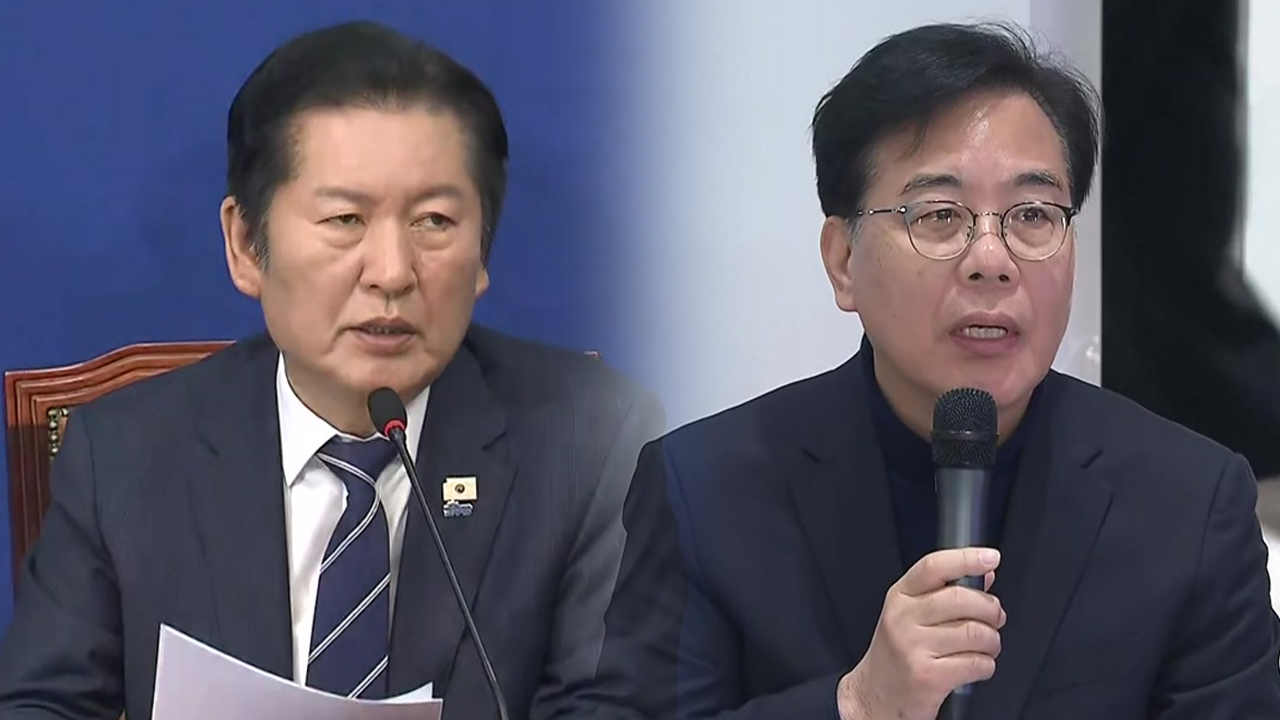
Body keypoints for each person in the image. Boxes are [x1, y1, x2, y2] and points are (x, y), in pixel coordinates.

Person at [594, 22, 1280, 720]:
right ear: (842, 260)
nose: (992, 259)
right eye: (940, 215)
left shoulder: (1191, 505)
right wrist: (860, 705)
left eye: (1033, 214)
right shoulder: (704, 492)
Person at [0, 20, 662, 720]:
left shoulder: (592, 445)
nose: (392, 272)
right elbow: (45, 705)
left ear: (482, 254)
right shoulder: (127, 457)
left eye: (435, 221)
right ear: (245, 245)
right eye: (346, 219)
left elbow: (615, 704)